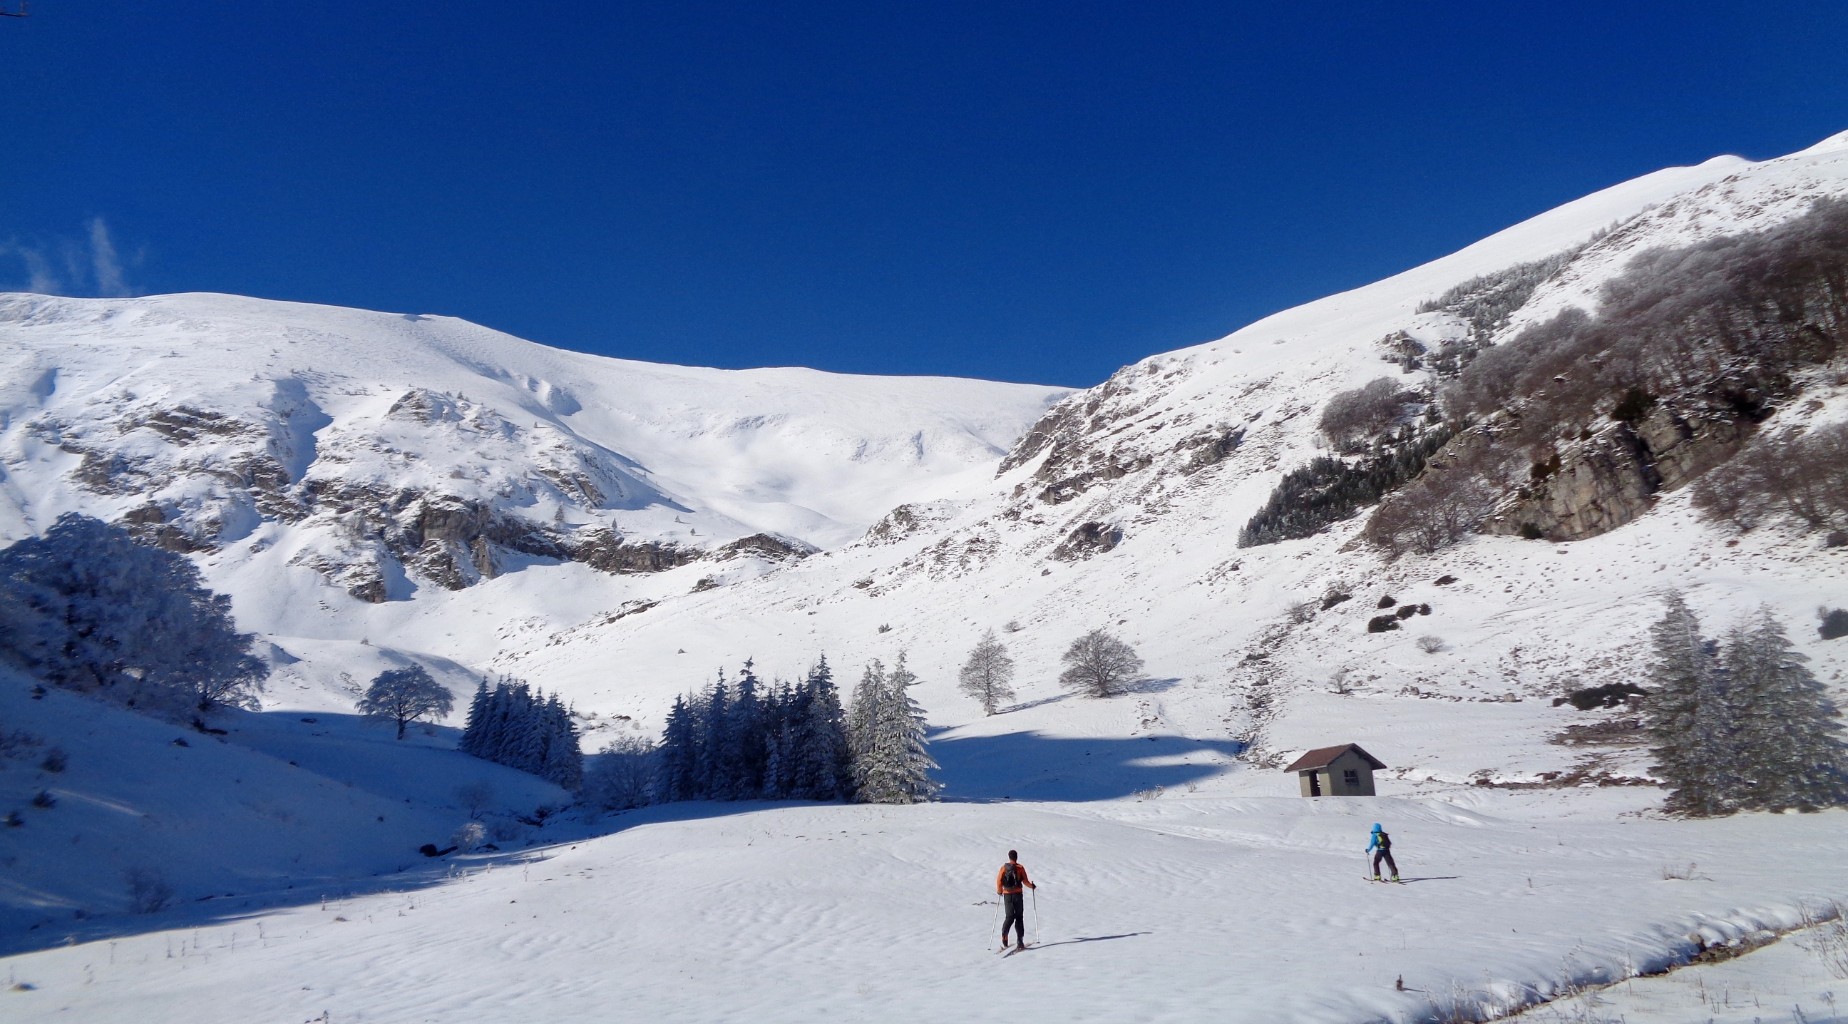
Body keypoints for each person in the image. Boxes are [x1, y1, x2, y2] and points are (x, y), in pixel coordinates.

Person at [996, 849, 1037, 950]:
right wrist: (1032, 886)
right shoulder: (1020, 868)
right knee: (1019, 917)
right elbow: (1025, 881)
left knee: (1009, 916)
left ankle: (1004, 934)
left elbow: (999, 880)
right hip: (1018, 895)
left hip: (1007, 895)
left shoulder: (1003, 868)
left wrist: (999, 891)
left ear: (1009, 857)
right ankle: (1020, 941)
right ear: (1016, 857)